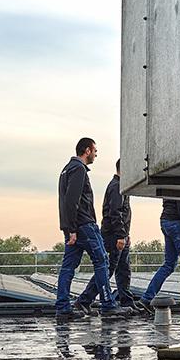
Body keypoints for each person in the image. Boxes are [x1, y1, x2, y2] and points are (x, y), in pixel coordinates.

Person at [55, 137, 126, 321]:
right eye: (94, 150)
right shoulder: (78, 169)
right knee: (102, 260)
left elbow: (64, 203)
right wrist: (72, 229)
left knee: (68, 266)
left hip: (73, 227)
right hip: (84, 225)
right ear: (86, 150)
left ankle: (63, 308)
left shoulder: (65, 170)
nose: (96, 154)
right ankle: (108, 304)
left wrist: (68, 230)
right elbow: (72, 200)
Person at [79, 158, 135, 309]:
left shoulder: (121, 187)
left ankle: (127, 301)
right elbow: (115, 213)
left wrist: (125, 234)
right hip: (113, 236)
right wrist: (120, 236)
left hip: (119, 235)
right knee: (108, 269)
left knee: (123, 270)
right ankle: (84, 300)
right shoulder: (116, 187)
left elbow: (122, 214)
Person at [142, 198, 180, 308]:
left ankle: (147, 297)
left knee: (169, 264)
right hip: (176, 222)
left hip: (165, 220)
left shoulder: (168, 182)